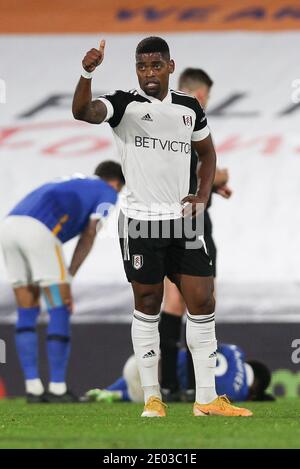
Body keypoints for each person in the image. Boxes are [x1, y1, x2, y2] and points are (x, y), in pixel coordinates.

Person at [73, 36, 252, 417]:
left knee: (203, 301)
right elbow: (82, 111)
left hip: (184, 221)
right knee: (149, 304)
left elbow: (207, 153)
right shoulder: (123, 104)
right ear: (136, 70)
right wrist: (87, 71)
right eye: (142, 67)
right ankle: (153, 397)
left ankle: (206, 400)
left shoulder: (189, 107)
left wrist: (202, 194)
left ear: (170, 67)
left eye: (156, 66)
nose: (149, 74)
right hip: (142, 223)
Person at [0, 161, 124, 403]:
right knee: (60, 305)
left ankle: (33, 387)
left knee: (27, 308)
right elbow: (89, 233)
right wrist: (68, 276)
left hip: (8, 227)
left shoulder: (73, 181)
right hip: (40, 232)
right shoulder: (108, 192)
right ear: (117, 183)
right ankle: (57, 387)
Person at [159, 68, 232, 402]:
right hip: (193, 220)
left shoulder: (161, 117)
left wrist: (215, 186)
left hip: (167, 218)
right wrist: (216, 179)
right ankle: (195, 385)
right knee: (200, 301)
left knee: (172, 302)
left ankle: (169, 385)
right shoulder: (189, 120)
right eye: (208, 96)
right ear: (200, 94)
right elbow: (199, 166)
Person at [84, 344, 275, 403]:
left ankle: (109, 391)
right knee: (152, 394)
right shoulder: (239, 393)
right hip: (154, 388)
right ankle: (115, 395)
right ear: (255, 387)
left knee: (142, 376)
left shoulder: (236, 351)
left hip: (148, 361)